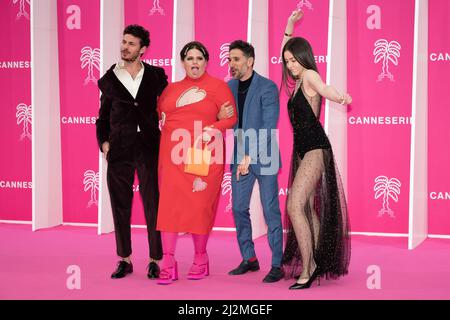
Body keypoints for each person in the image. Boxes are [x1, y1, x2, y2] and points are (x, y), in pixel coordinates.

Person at [280, 10, 351, 289]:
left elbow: (325, 88)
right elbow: (285, 50)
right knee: (307, 208)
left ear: (304, 57)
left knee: (294, 205)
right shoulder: (296, 80)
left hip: (315, 148)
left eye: (293, 59)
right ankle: (320, 261)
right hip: (301, 151)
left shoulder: (308, 75)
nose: (290, 65)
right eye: (287, 61)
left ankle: (308, 268)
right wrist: (289, 25)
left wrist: (340, 97)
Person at [156, 41, 237, 285]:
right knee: (169, 207)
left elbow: (231, 118)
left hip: (202, 152)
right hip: (171, 155)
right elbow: (160, 114)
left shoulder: (218, 87)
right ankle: (168, 261)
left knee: (199, 206)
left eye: (199, 58)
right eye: (189, 58)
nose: (194, 62)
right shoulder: (171, 89)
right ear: (183, 62)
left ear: (206, 61)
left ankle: (201, 258)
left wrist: (213, 127)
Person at [95, 25, 168, 279]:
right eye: (123, 42)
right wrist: (104, 143)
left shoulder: (157, 76)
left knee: (153, 203)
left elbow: (170, 106)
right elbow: (102, 118)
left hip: (149, 146)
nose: (125, 47)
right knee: (120, 204)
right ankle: (124, 259)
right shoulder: (109, 79)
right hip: (120, 149)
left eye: (131, 44)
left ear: (143, 49)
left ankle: (154, 259)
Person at [224, 40, 284, 283]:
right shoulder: (228, 87)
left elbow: (269, 127)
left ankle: (277, 263)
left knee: (270, 210)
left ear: (249, 61)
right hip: (239, 157)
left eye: (236, 59)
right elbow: (222, 117)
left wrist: (251, 155)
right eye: (229, 59)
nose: (231, 63)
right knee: (239, 208)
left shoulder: (267, 87)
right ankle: (249, 258)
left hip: (265, 156)